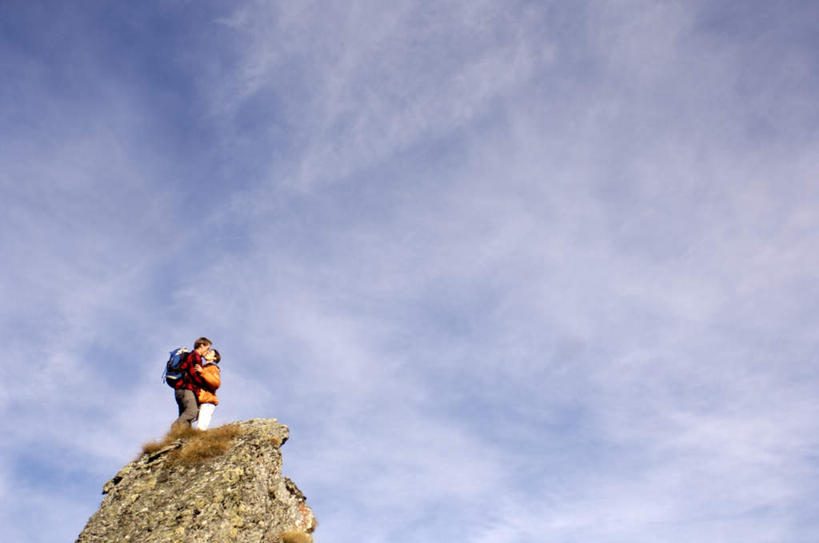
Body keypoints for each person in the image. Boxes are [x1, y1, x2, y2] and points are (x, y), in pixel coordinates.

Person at [172, 336, 211, 430]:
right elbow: (195, 376)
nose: (208, 351)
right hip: (186, 389)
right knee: (192, 412)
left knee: (186, 414)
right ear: (201, 345)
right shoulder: (195, 357)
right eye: (207, 348)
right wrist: (205, 383)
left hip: (181, 389)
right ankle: (175, 429)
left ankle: (181, 435)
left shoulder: (192, 356)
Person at [194, 349, 221, 430]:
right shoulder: (202, 367)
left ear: (215, 358)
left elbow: (216, 383)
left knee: (201, 427)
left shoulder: (213, 368)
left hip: (207, 401)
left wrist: (202, 372)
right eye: (207, 351)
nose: (207, 352)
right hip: (199, 400)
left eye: (210, 352)